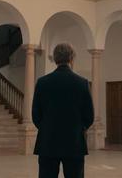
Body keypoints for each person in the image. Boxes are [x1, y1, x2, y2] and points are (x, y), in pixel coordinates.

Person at [32, 43, 94, 178]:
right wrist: (78, 129)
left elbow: (36, 115)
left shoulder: (42, 82)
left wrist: (47, 127)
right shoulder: (82, 83)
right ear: (72, 59)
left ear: (55, 59)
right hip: (74, 143)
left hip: (48, 142)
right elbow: (89, 116)